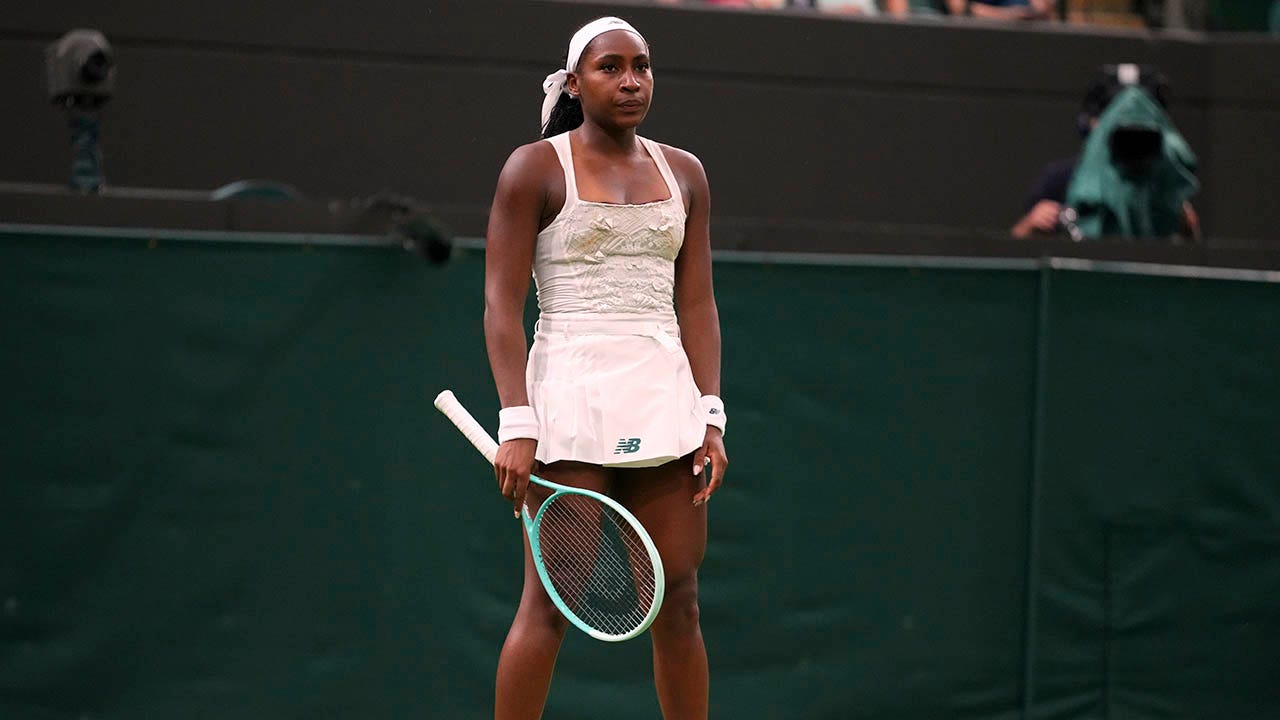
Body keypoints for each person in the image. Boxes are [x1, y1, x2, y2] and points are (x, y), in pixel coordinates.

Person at [483, 16, 728, 720]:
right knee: (550, 604)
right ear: (573, 82)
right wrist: (517, 421)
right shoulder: (532, 168)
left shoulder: (686, 172)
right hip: (569, 401)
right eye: (610, 67)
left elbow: (698, 302)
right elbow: (500, 306)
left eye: (641, 66)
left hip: (665, 402)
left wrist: (710, 415)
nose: (630, 81)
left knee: (680, 601)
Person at [1012, 64, 1199, 240]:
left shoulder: (1168, 185)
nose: (1127, 128)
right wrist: (1030, 224)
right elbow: (1014, 245)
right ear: (1092, 123)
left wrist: (1187, 229)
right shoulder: (1061, 179)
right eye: (1113, 114)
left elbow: (1192, 254)